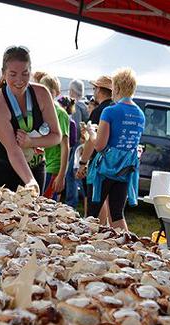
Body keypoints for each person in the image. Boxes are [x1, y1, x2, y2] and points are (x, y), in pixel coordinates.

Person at [0, 46, 61, 193]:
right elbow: (13, 150)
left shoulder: (42, 93)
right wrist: (29, 180)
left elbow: (56, 136)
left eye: (25, 74)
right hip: (2, 168)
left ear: (30, 71)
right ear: (4, 73)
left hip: (36, 166)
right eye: (13, 74)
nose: (19, 80)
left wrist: (32, 142)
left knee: (33, 214)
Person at [82, 68, 145, 231]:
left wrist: (91, 132)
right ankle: (127, 248)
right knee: (117, 214)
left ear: (116, 88)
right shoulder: (140, 114)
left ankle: (85, 250)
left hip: (104, 170)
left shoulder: (110, 111)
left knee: (92, 214)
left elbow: (100, 145)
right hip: (125, 170)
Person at [77, 75, 114, 223]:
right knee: (110, 204)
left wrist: (82, 162)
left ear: (99, 89)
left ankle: (96, 232)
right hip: (113, 162)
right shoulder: (114, 109)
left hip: (98, 162)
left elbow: (90, 141)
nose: (93, 91)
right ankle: (106, 231)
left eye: (94, 88)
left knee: (95, 202)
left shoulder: (99, 111)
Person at [37, 74, 70, 199]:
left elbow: (65, 146)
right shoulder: (40, 109)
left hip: (52, 166)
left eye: (50, 92)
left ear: (57, 93)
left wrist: (61, 175)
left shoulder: (60, 113)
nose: (46, 95)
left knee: (45, 205)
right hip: (40, 162)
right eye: (43, 90)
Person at [64, 79, 89, 208]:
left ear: (73, 91)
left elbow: (76, 128)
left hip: (77, 145)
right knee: (77, 175)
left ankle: (70, 204)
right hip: (82, 144)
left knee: (71, 175)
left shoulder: (77, 106)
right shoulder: (85, 105)